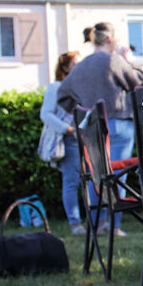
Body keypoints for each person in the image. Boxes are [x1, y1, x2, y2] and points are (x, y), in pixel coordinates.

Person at [58, 22, 143, 236]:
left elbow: (63, 94)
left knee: (96, 175)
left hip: (92, 127)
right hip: (118, 123)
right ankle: (115, 227)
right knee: (118, 175)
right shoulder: (114, 60)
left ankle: (97, 224)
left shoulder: (80, 66)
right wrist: (130, 62)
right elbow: (140, 84)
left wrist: (82, 111)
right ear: (110, 39)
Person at [42, 51, 85, 234]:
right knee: (72, 182)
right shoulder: (56, 87)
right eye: (74, 64)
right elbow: (45, 114)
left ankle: (99, 222)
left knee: (92, 181)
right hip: (69, 140)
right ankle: (76, 224)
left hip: (85, 139)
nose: (78, 67)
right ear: (65, 68)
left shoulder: (82, 86)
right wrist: (67, 129)